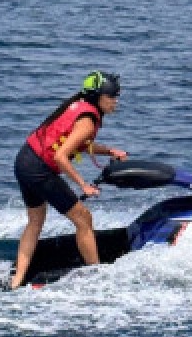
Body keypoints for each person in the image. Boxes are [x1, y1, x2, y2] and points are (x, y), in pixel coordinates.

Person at [11, 71, 127, 289]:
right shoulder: (88, 121)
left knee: (35, 222)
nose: (115, 101)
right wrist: (83, 185)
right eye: (111, 96)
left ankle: (17, 280)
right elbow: (60, 156)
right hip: (39, 169)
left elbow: (79, 144)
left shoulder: (79, 106)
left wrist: (110, 151)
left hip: (24, 160)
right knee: (84, 218)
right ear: (98, 97)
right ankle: (98, 276)